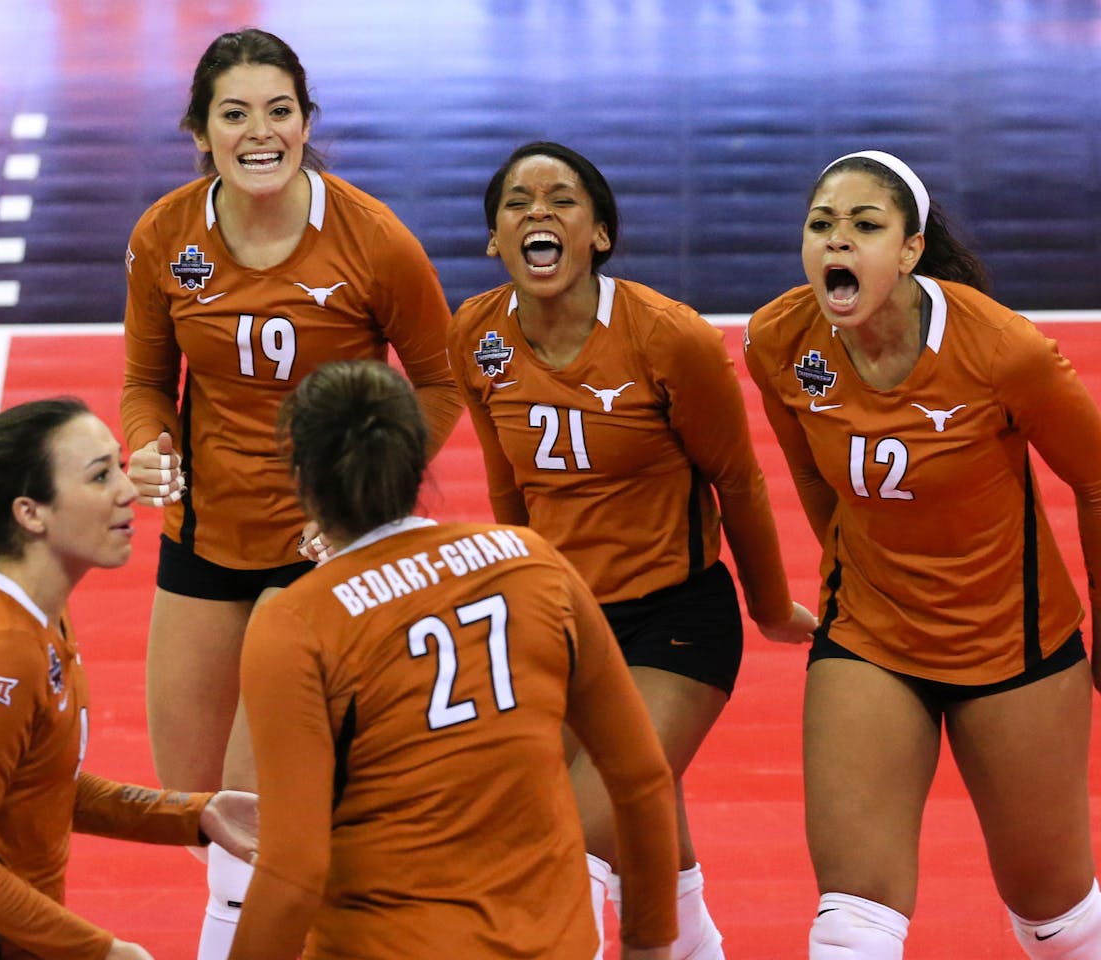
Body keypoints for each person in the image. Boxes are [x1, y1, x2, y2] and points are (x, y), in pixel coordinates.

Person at [120, 28, 462, 956]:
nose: (259, 132)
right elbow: (148, 380)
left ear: (307, 123)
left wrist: (373, 499)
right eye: (236, 114)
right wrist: (147, 445)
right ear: (201, 130)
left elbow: (440, 381)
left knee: (252, 821)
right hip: (203, 537)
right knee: (195, 803)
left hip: (323, 552)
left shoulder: (372, 238)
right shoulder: (164, 236)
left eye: (279, 111)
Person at [447, 141, 816, 959]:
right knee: (642, 838)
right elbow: (510, 487)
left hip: (676, 626)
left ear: (599, 236)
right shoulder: (477, 337)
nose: (538, 211)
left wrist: (769, 608)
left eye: (562, 198)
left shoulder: (667, 337)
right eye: (517, 201)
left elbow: (739, 482)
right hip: (563, 629)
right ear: (493, 242)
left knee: (567, 841)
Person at [743, 149, 1101, 959]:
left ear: (909, 250)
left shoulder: (1003, 350)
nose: (838, 243)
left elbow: (1097, 480)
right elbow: (807, 464)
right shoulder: (779, 338)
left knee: (1057, 922)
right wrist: (844, 563)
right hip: (871, 635)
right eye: (820, 226)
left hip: (1012, 645)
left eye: (865, 226)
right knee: (850, 926)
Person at [229, 359, 677, 959]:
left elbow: (293, 869)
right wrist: (648, 945)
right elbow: (642, 779)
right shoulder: (531, 562)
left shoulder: (297, 622)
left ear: (302, 476)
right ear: (419, 460)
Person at [0, 398, 260, 960]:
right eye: (99, 476)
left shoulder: (40, 616)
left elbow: (40, 780)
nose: (128, 491)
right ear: (30, 513)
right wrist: (102, 951)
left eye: (118, 467)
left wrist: (194, 814)